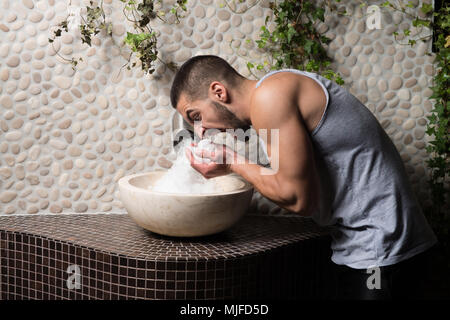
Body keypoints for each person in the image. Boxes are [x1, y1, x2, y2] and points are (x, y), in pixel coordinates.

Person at [169, 55, 438, 299]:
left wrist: (233, 162)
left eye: (197, 116)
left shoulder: (270, 96)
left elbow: (298, 199)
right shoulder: (273, 93)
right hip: (365, 249)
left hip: (385, 254)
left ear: (219, 91)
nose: (201, 131)